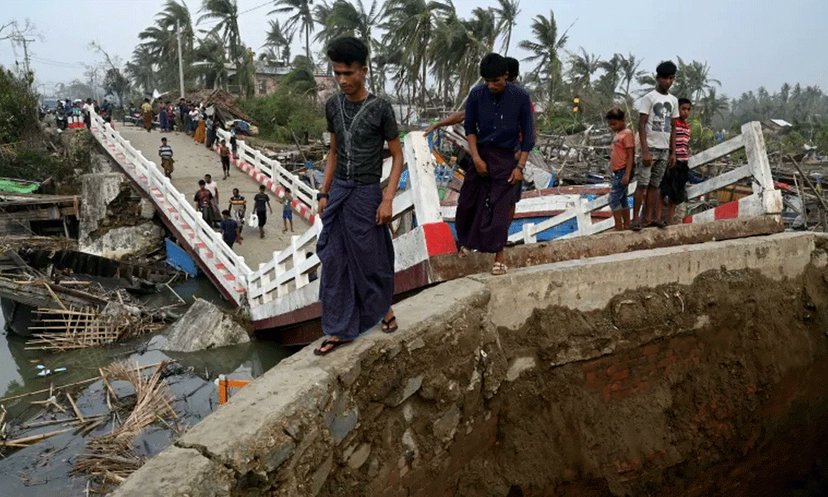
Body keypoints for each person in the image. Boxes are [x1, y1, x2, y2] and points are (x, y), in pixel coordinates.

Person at [313, 36, 404, 356]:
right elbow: (334, 152)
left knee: (370, 259)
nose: (341, 80)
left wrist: (388, 198)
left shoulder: (380, 108)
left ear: (363, 71)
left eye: (348, 73)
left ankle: (385, 310)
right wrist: (324, 192)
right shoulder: (333, 106)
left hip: (367, 192)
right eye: (337, 73)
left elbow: (398, 155)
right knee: (335, 259)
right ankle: (340, 328)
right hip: (339, 191)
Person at [455, 53, 534, 276]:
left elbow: (528, 135)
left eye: (496, 81)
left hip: (506, 157)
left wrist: (520, 168)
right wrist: (477, 158)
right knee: (468, 202)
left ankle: (499, 255)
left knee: (501, 208)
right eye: (487, 81)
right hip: (481, 152)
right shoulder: (477, 94)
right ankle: (467, 243)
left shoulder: (520, 96)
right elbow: (469, 128)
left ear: (506, 76)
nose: (491, 86)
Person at [632, 61, 679, 230]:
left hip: (664, 149)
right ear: (658, 78)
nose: (668, 81)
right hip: (650, 148)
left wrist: (673, 152)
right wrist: (644, 150)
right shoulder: (649, 98)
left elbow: (674, 127)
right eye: (665, 78)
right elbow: (641, 124)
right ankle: (636, 219)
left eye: (671, 78)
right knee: (642, 184)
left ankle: (650, 218)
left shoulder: (673, 101)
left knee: (655, 186)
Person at [661, 98, 693, 225]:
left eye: (688, 109)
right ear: (677, 109)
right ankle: (659, 218)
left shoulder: (687, 127)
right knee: (664, 191)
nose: (686, 112)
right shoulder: (673, 124)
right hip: (673, 162)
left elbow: (685, 144)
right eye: (683, 109)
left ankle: (669, 221)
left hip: (683, 162)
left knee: (675, 196)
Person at [606, 108, 635, 231]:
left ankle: (619, 226)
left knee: (613, 199)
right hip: (617, 171)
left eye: (614, 124)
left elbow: (630, 155)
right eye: (610, 124)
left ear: (622, 121)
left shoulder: (627, 134)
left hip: (623, 170)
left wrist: (627, 174)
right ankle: (627, 225)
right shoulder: (618, 134)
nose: (612, 127)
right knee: (622, 199)